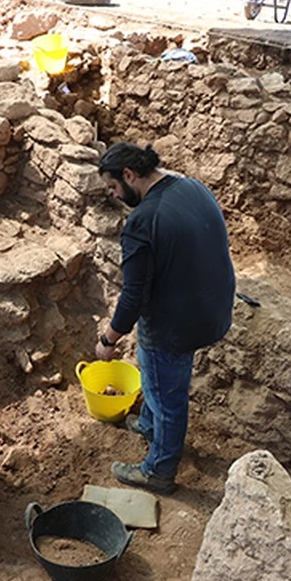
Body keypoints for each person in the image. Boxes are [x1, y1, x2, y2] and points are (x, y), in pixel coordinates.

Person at [94, 142, 236, 494]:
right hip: (214, 306)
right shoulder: (191, 186)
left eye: (113, 187)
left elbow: (133, 296)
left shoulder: (142, 221)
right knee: (158, 380)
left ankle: (158, 471)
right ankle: (150, 425)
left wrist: (108, 340)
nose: (114, 195)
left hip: (178, 323)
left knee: (167, 396)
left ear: (129, 175)